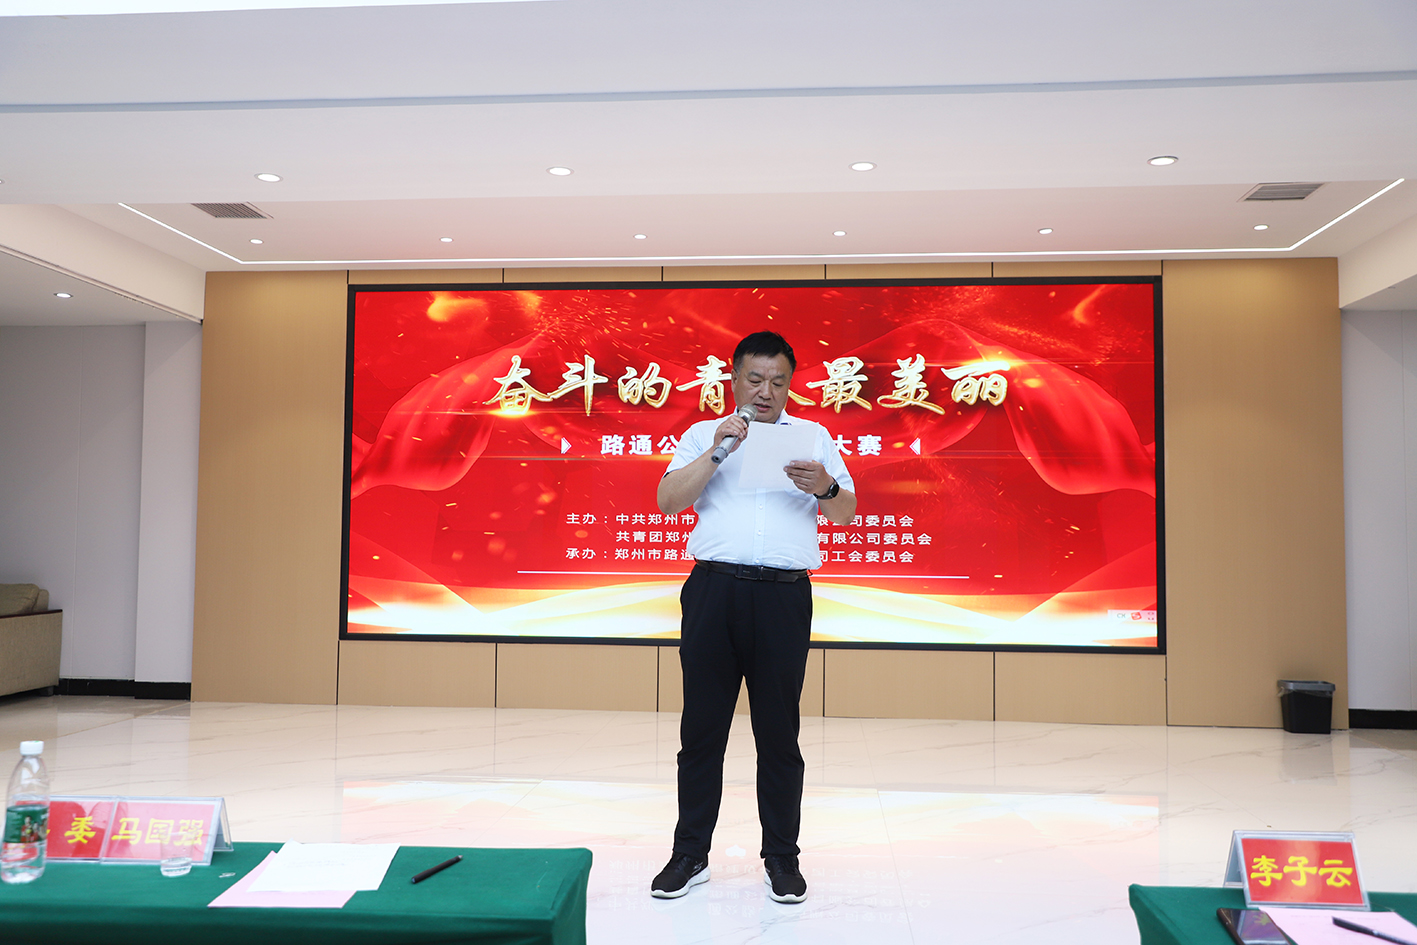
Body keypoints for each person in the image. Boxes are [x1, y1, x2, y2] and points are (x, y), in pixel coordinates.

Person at [650, 330, 857, 904]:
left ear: (790, 385)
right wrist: (719, 450)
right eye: (755, 379)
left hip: (783, 599)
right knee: (701, 732)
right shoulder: (703, 434)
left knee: (779, 735)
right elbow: (668, 500)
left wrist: (826, 486)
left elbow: (845, 512)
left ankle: (782, 858)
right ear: (734, 379)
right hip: (713, 592)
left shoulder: (813, 437)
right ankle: (689, 854)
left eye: (778, 381)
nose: (766, 391)